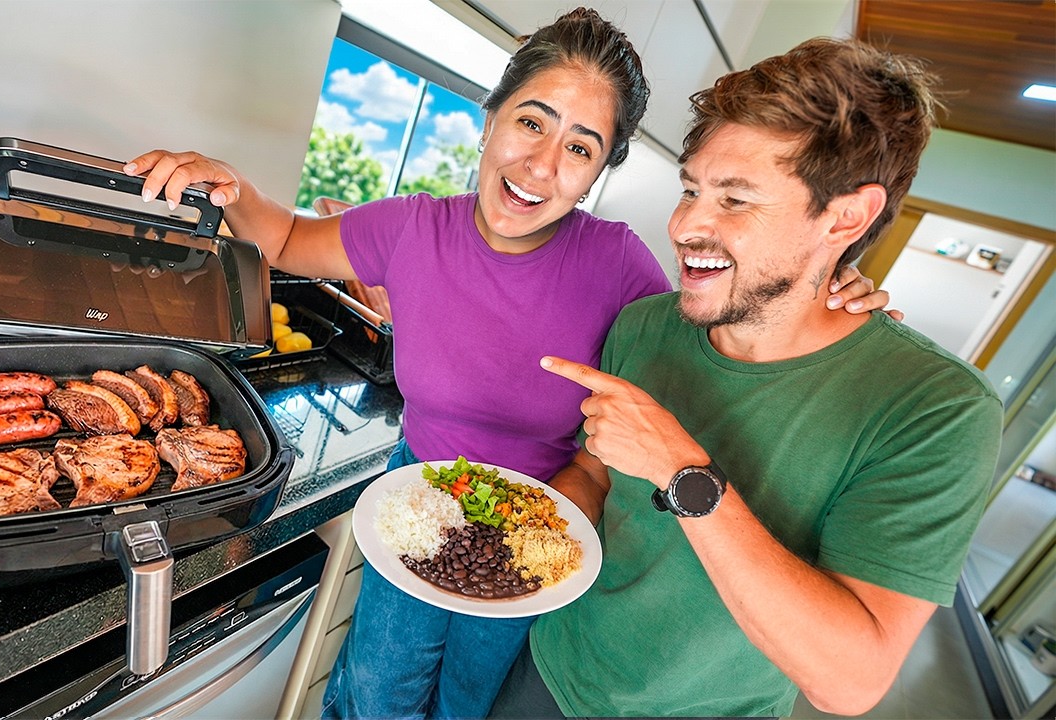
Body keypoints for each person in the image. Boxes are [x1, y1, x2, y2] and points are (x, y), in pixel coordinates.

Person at [124, 11, 891, 718]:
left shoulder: (617, 263)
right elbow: (288, 240)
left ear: (596, 175)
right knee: (374, 693)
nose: (542, 163)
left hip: (541, 524)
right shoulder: (412, 227)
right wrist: (229, 188)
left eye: (580, 148)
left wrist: (822, 289)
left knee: (470, 704)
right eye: (531, 121)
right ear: (492, 119)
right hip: (413, 499)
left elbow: (709, 342)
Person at [488, 37, 1004, 718]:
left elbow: (849, 681)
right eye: (692, 189)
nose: (684, 224)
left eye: (735, 200)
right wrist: (516, 550)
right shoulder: (645, 324)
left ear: (845, 217)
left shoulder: (938, 409)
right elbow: (595, 472)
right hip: (551, 668)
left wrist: (682, 470)